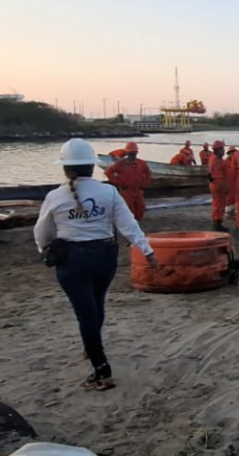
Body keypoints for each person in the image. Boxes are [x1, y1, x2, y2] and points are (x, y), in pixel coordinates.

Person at [34, 139, 158, 391]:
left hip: (72, 260)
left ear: (65, 168)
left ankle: (102, 371)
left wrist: (44, 249)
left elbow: (42, 231)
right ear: (92, 166)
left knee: (85, 312)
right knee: (96, 304)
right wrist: (147, 250)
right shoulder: (108, 192)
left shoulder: (55, 196)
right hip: (104, 257)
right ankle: (90, 347)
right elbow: (128, 225)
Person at [103, 141, 152, 220]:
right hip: (127, 191)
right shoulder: (120, 163)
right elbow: (108, 172)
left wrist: (144, 184)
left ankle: (136, 223)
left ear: (137, 152)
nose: (132, 155)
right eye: (131, 153)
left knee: (141, 209)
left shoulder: (141, 163)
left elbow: (148, 173)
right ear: (127, 153)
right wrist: (118, 182)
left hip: (138, 191)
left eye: (134, 153)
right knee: (129, 210)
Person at [206, 140, 230, 232]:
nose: (224, 151)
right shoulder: (217, 161)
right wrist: (225, 188)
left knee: (217, 204)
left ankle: (217, 223)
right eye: (222, 149)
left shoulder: (212, 158)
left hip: (214, 184)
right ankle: (217, 225)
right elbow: (219, 177)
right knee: (219, 206)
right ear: (218, 150)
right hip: (218, 186)